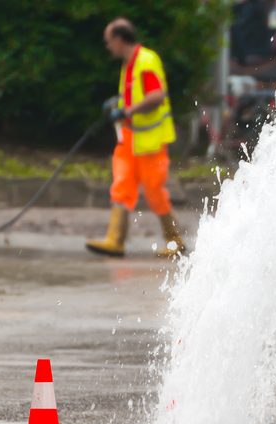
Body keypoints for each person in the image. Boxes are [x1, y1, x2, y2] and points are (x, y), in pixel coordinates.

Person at [87, 17, 185, 258]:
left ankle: (175, 241)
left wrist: (127, 111)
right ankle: (115, 240)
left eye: (108, 41)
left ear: (119, 39)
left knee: (154, 192)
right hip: (129, 140)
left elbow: (156, 96)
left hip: (150, 142)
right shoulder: (129, 64)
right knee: (121, 187)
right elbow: (133, 96)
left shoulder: (145, 60)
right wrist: (118, 104)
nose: (107, 46)